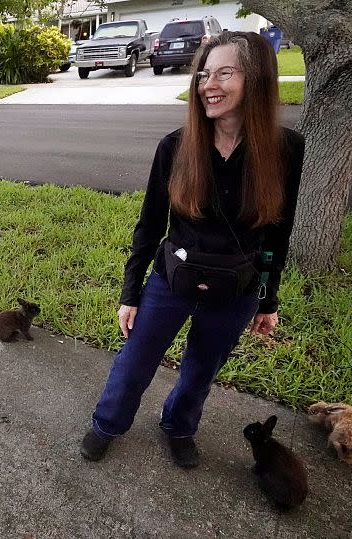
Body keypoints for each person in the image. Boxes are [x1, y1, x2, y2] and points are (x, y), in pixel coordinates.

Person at [80, 31, 305, 469]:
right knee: (136, 359)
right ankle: (107, 423)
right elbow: (149, 224)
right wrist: (131, 292)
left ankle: (179, 426)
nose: (208, 85)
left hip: (235, 289)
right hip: (172, 278)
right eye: (204, 74)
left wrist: (267, 300)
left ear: (256, 79)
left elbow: (278, 234)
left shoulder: (285, 150)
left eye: (224, 73)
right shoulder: (175, 146)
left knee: (202, 369)